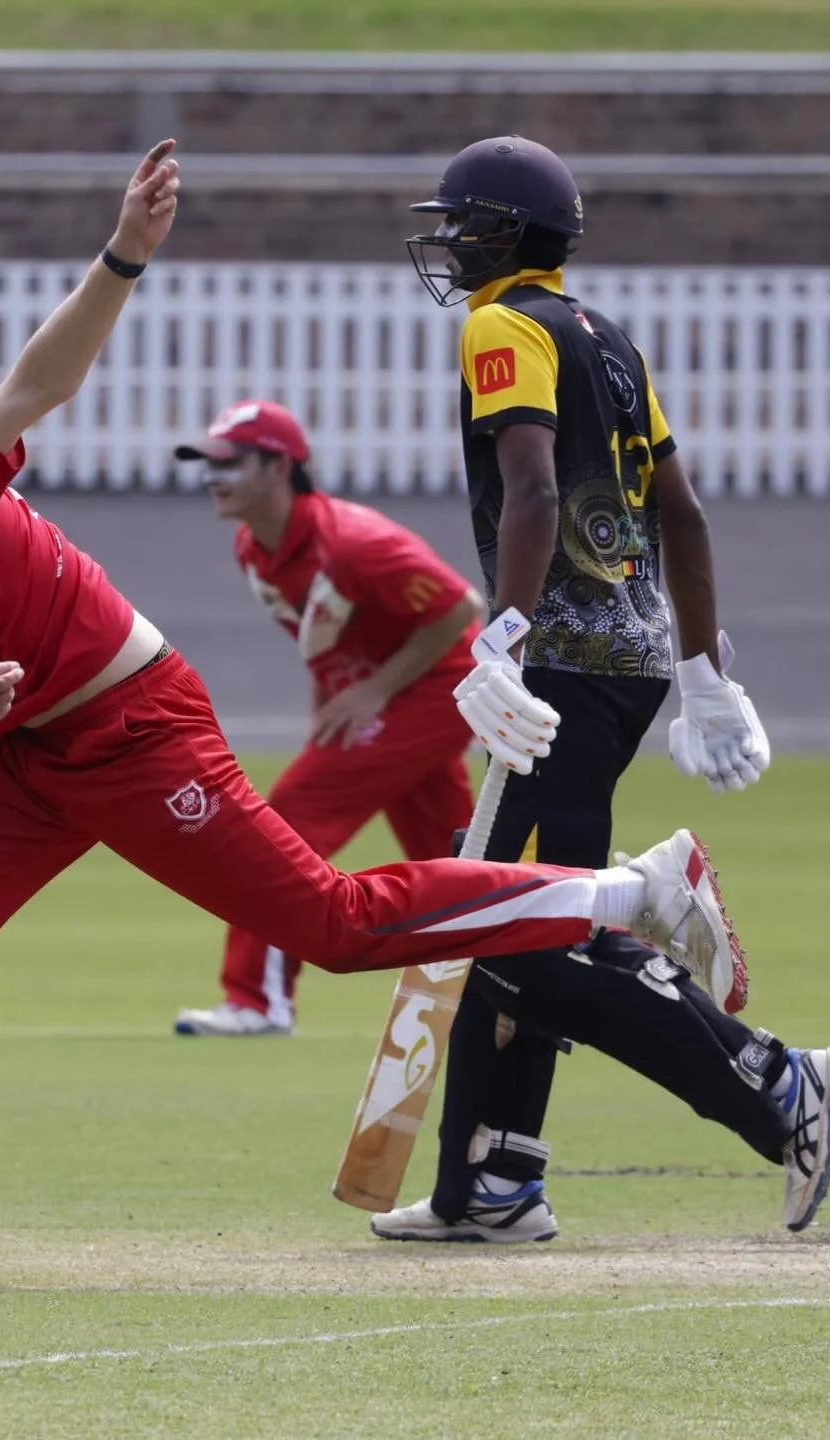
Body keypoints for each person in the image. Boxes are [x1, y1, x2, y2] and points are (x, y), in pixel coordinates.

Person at [0, 139, 747, 1280]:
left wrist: (123, 256)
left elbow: (37, 386)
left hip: (130, 723)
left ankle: (634, 892)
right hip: (8, 757)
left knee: (334, 926)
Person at [369, 134, 825, 1243]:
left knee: (513, 923)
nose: (449, 242)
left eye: (462, 222)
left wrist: (504, 639)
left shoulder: (504, 326)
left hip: (558, 669)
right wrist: (702, 672)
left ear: (505, 232)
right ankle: (492, 1181)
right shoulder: (609, 338)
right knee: (521, 915)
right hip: (627, 663)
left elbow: (530, 492)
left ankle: (779, 1083)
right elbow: (685, 515)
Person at [170, 399, 483, 1037]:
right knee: (458, 853)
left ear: (279, 467)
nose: (213, 477)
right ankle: (535, 971)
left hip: (437, 688)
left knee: (283, 825)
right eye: (208, 464)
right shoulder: (254, 546)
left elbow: (461, 608)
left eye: (229, 463)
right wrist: (330, 700)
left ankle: (257, 1001)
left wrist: (373, 690)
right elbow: (323, 634)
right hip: (392, 693)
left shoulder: (355, 545)